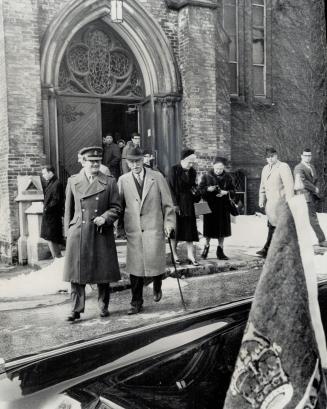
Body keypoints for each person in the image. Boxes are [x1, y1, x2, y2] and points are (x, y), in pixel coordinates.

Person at [63, 146, 121, 322]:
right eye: (91, 161)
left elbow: (117, 208)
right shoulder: (73, 181)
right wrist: (68, 231)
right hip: (79, 232)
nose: (95, 164)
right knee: (76, 274)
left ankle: (103, 305)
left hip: (100, 231)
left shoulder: (110, 182)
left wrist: (105, 217)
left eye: (98, 161)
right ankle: (76, 309)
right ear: (83, 162)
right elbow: (68, 209)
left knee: (102, 271)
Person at [118, 145, 175, 315]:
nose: (135, 165)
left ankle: (157, 283)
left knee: (155, 262)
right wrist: (119, 227)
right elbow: (119, 206)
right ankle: (136, 302)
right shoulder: (123, 180)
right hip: (134, 230)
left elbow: (168, 204)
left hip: (154, 227)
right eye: (131, 162)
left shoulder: (156, 177)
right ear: (127, 163)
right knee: (135, 269)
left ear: (143, 160)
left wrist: (168, 224)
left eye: (137, 161)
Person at [256, 147, 294, 258]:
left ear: (276, 156)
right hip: (271, 204)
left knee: (280, 227)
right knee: (272, 226)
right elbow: (262, 186)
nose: (270, 159)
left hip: (281, 202)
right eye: (268, 157)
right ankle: (270, 249)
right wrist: (261, 199)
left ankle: (270, 249)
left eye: (272, 156)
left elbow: (289, 185)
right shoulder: (265, 169)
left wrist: (289, 201)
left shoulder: (283, 167)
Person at [167, 148, 200, 266]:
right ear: (183, 160)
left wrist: (196, 191)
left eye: (193, 162)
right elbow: (169, 188)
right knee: (175, 230)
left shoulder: (193, 172)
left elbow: (193, 187)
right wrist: (174, 204)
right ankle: (174, 254)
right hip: (176, 203)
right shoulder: (173, 170)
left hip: (188, 204)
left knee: (190, 230)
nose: (191, 165)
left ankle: (190, 255)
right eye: (189, 162)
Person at [199, 157, 236, 260]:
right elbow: (200, 190)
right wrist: (207, 189)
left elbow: (234, 190)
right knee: (208, 229)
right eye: (217, 168)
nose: (219, 170)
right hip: (209, 206)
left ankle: (220, 250)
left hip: (223, 207)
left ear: (224, 167)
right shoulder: (206, 176)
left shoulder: (228, 177)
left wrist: (226, 192)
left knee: (222, 230)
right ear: (213, 166)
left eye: (221, 168)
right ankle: (206, 248)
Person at [294, 148, 327, 247]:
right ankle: (321, 240)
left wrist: (315, 191)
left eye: (309, 156)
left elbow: (314, 180)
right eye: (306, 155)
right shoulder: (298, 168)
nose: (308, 157)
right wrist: (315, 189)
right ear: (301, 156)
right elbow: (303, 182)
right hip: (303, 196)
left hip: (310, 196)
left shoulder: (312, 167)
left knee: (305, 219)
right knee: (312, 219)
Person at [40, 165, 64, 259]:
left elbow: (56, 200)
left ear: (50, 173)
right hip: (50, 217)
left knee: (52, 238)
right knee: (49, 238)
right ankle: (56, 259)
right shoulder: (51, 183)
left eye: (44, 173)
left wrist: (47, 209)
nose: (43, 175)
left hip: (53, 216)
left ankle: (58, 259)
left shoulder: (57, 184)